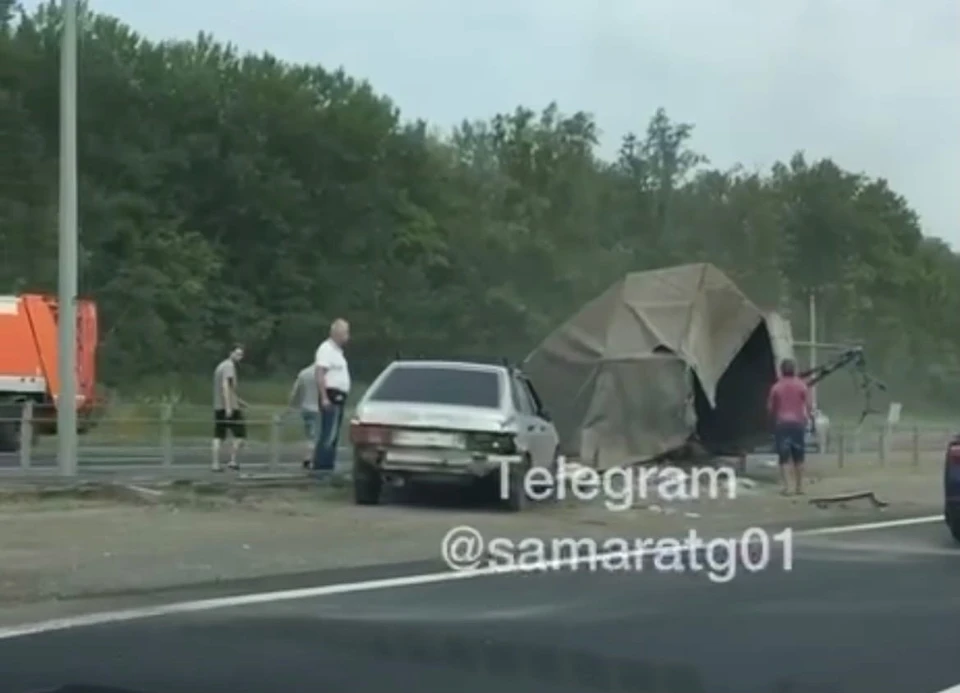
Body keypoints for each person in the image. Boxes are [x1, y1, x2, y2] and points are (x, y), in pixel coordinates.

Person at [767, 357, 812, 495]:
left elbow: (770, 407)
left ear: (781, 371)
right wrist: (807, 417)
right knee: (799, 456)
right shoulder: (801, 385)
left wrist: (774, 417)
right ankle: (800, 487)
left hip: (782, 424)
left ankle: (788, 488)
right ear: (794, 370)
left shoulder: (776, 387)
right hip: (798, 423)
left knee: (784, 456)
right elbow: (809, 405)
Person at [311, 318, 351, 472]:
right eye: (346, 332)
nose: (347, 336)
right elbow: (320, 373)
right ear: (337, 333)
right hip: (331, 394)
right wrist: (324, 397)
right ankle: (321, 468)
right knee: (328, 432)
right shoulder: (326, 349)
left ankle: (328, 466)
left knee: (333, 433)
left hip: (339, 395)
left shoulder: (337, 352)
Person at [211, 344, 247, 471]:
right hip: (229, 407)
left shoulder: (220, 366)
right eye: (237, 354)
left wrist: (238, 400)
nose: (239, 357)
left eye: (241, 355)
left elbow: (229, 389)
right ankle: (232, 460)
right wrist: (229, 406)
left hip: (218, 405)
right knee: (240, 435)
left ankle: (215, 464)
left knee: (218, 436)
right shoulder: (229, 366)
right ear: (230, 353)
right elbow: (226, 386)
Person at [287, 363, 320, 469]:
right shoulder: (325, 374)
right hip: (319, 409)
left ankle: (308, 457)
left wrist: (292, 405)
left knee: (310, 435)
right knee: (318, 436)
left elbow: (295, 391)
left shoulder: (304, 373)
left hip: (306, 407)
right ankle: (311, 459)